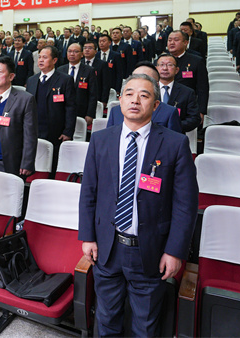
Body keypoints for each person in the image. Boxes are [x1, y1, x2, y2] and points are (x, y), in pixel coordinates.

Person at [78, 74, 198, 336]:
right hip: (107, 247)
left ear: (155, 105)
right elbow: (88, 192)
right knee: (106, 321)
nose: (135, 100)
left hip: (150, 251)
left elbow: (185, 205)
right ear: (120, 100)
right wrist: (87, 237)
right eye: (129, 94)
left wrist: (175, 251)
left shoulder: (175, 144)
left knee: (145, 326)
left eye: (144, 95)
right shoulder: (101, 140)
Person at [0, 56, 38, 175]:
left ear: (11, 76)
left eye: (0, 72)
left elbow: (30, 135)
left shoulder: (25, 99)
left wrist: (27, 162)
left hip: (10, 161)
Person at [25, 46, 75, 174]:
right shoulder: (31, 80)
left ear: (54, 60)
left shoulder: (65, 80)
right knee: (33, 162)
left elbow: (70, 107)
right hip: (34, 129)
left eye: (45, 57)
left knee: (52, 164)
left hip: (55, 131)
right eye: (39, 57)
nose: (41, 60)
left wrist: (68, 131)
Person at [107, 63, 182, 133]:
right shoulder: (115, 111)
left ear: (157, 85)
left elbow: (174, 140)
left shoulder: (169, 112)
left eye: (146, 78)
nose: (139, 81)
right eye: (135, 77)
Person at [167, 30, 209, 118]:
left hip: (188, 107)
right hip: (165, 105)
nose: (172, 43)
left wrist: (201, 111)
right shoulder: (160, 61)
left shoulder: (196, 61)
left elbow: (202, 88)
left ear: (186, 43)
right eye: (169, 40)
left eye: (176, 40)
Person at [59, 43, 98, 132]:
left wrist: (90, 114)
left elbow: (93, 94)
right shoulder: (60, 70)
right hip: (63, 110)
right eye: (69, 51)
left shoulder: (89, 70)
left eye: (76, 51)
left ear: (81, 54)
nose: (72, 54)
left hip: (81, 110)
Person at [156, 55, 200, 133]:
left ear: (177, 70)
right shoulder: (148, 90)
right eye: (162, 65)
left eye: (169, 65)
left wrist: (173, 126)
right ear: (156, 69)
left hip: (176, 135)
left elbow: (194, 119)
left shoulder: (187, 92)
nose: (165, 68)